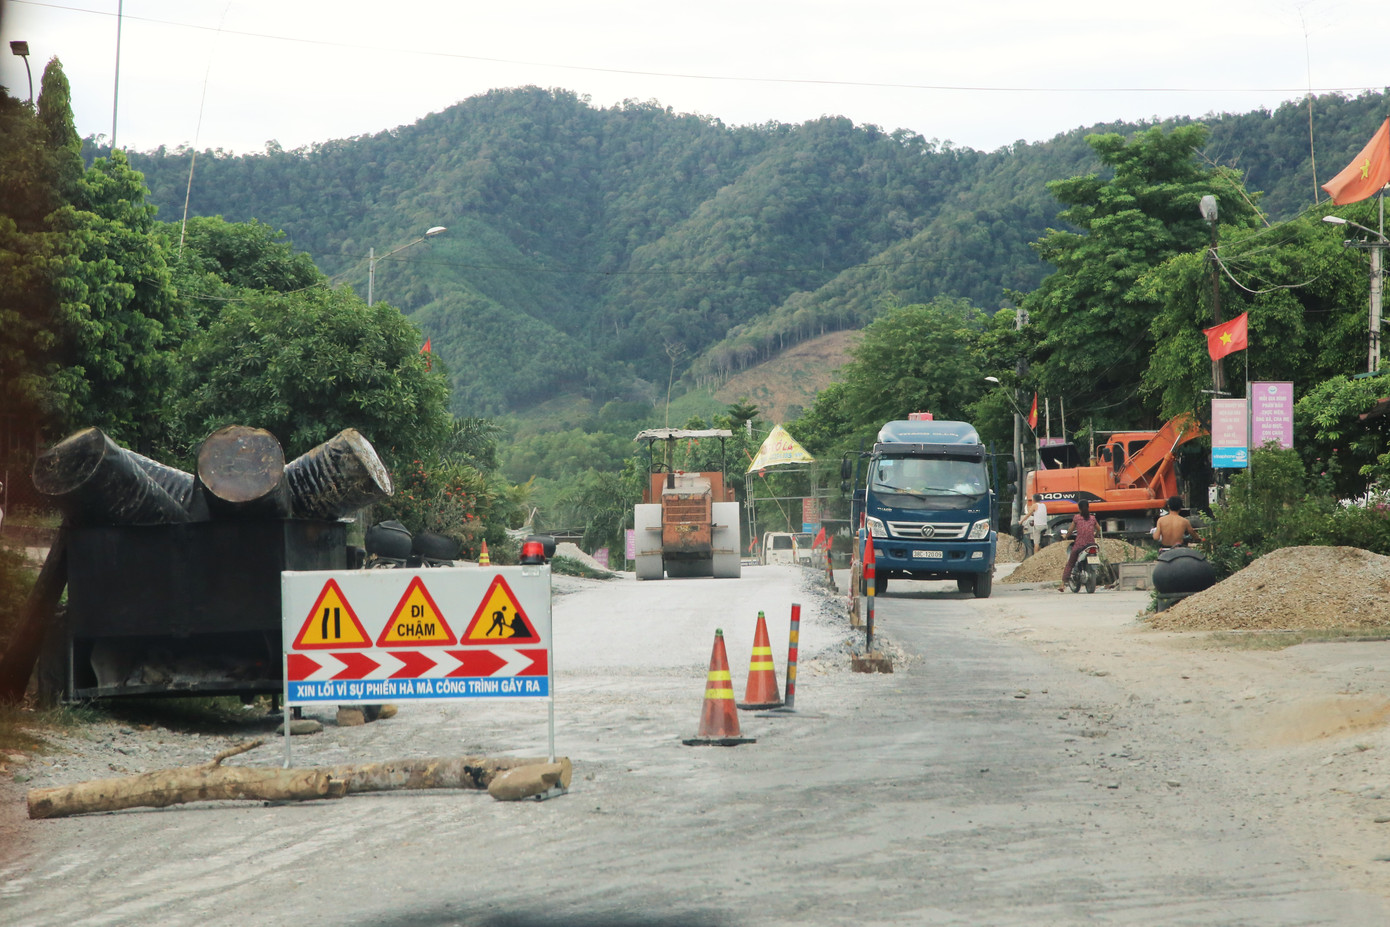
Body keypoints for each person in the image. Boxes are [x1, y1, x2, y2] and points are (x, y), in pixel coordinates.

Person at [1060, 499, 1100, 590]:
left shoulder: (1077, 518)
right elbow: (1099, 529)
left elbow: (1070, 530)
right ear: (1088, 507)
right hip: (1091, 544)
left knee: (1070, 563)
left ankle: (1062, 584)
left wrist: (1065, 536)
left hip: (1080, 545)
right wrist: (1095, 534)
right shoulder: (1093, 518)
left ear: (1079, 508)